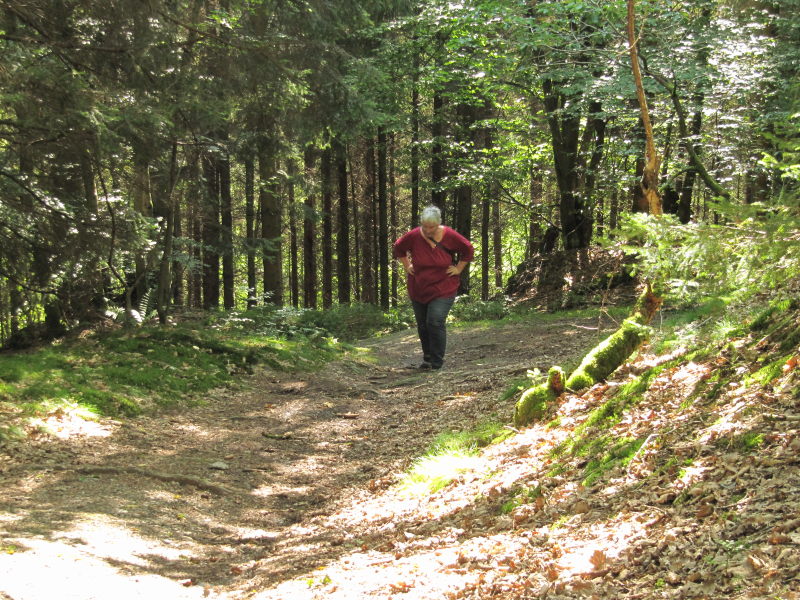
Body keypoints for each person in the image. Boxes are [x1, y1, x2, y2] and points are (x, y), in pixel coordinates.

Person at [393, 205, 474, 370]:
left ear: (438, 224)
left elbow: (468, 249)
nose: (428, 230)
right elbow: (398, 247)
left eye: (432, 227)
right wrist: (407, 265)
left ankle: (437, 362)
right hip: (419, 287)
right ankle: (428, 358)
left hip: (444, 286)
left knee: (435, 321)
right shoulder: (414, 236)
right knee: (423, 324)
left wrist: (458, 268)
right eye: (425, 226)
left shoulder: (450, 235)